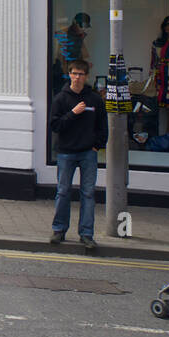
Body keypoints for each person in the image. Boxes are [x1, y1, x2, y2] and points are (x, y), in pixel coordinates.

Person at [49, 59, 108, 249]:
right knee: (63, 192)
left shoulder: (95, 100)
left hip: (87, 153)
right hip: (66, 153)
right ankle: (59, 230)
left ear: (86, 76)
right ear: (69, 75)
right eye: (74, 73)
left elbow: (102, 127)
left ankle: (86, 234)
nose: (77, 77)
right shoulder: (61, 99)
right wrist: (73, 113)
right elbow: (55, 126)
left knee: (88, 194)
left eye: (81, 74)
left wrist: (96, 146)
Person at [152, 16, 169, 135]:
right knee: (167, 109)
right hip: (162, 79)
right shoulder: (159, 42)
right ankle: (168, 137)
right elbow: (154, 61)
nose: (168, 27)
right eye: (166, 24)